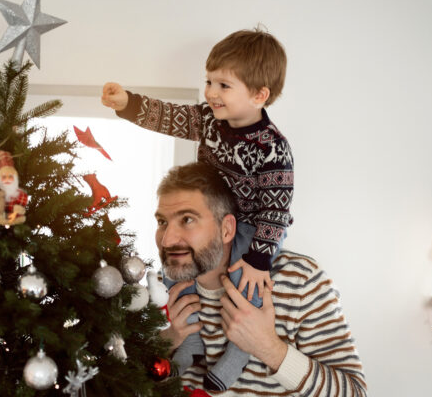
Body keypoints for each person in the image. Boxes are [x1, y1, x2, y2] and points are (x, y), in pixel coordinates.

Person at [102, 27, 292, 390]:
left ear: (258, 94)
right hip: (212, 217)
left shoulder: (273, 148)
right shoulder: (208, 120)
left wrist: (258, 259)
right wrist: (127, 103)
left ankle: (237, 355)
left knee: (246, 284)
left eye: (223, 85)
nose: (210, 93)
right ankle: (189, 340)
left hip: (255, 225)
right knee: (176, 264)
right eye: (209, 81)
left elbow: (277, 210)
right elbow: (166, 116)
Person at [154, 162, 366, 396]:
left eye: (187, 220)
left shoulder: (299, 281)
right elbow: (121, 381)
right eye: (162, 222)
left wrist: (268, 347)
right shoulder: (158, 290)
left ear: (227, 229)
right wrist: (168, 341)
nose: (167, 240)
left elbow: (355, 393)